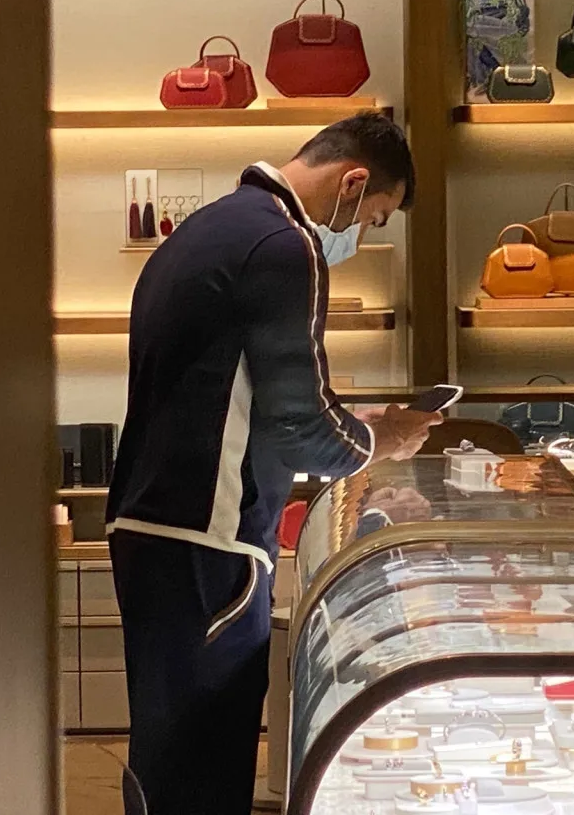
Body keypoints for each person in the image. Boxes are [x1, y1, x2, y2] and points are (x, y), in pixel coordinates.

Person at [105, 113, 442, 815]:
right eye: (373, 218)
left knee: (164, 759)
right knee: (208, 767)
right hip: (213, 542)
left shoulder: (207, 229)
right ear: (352, 182)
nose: (361, 236)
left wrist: (355, 421)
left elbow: (241, 391)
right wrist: (384, 440)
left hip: (150, 526)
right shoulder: (288, 246)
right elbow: (301, 429)